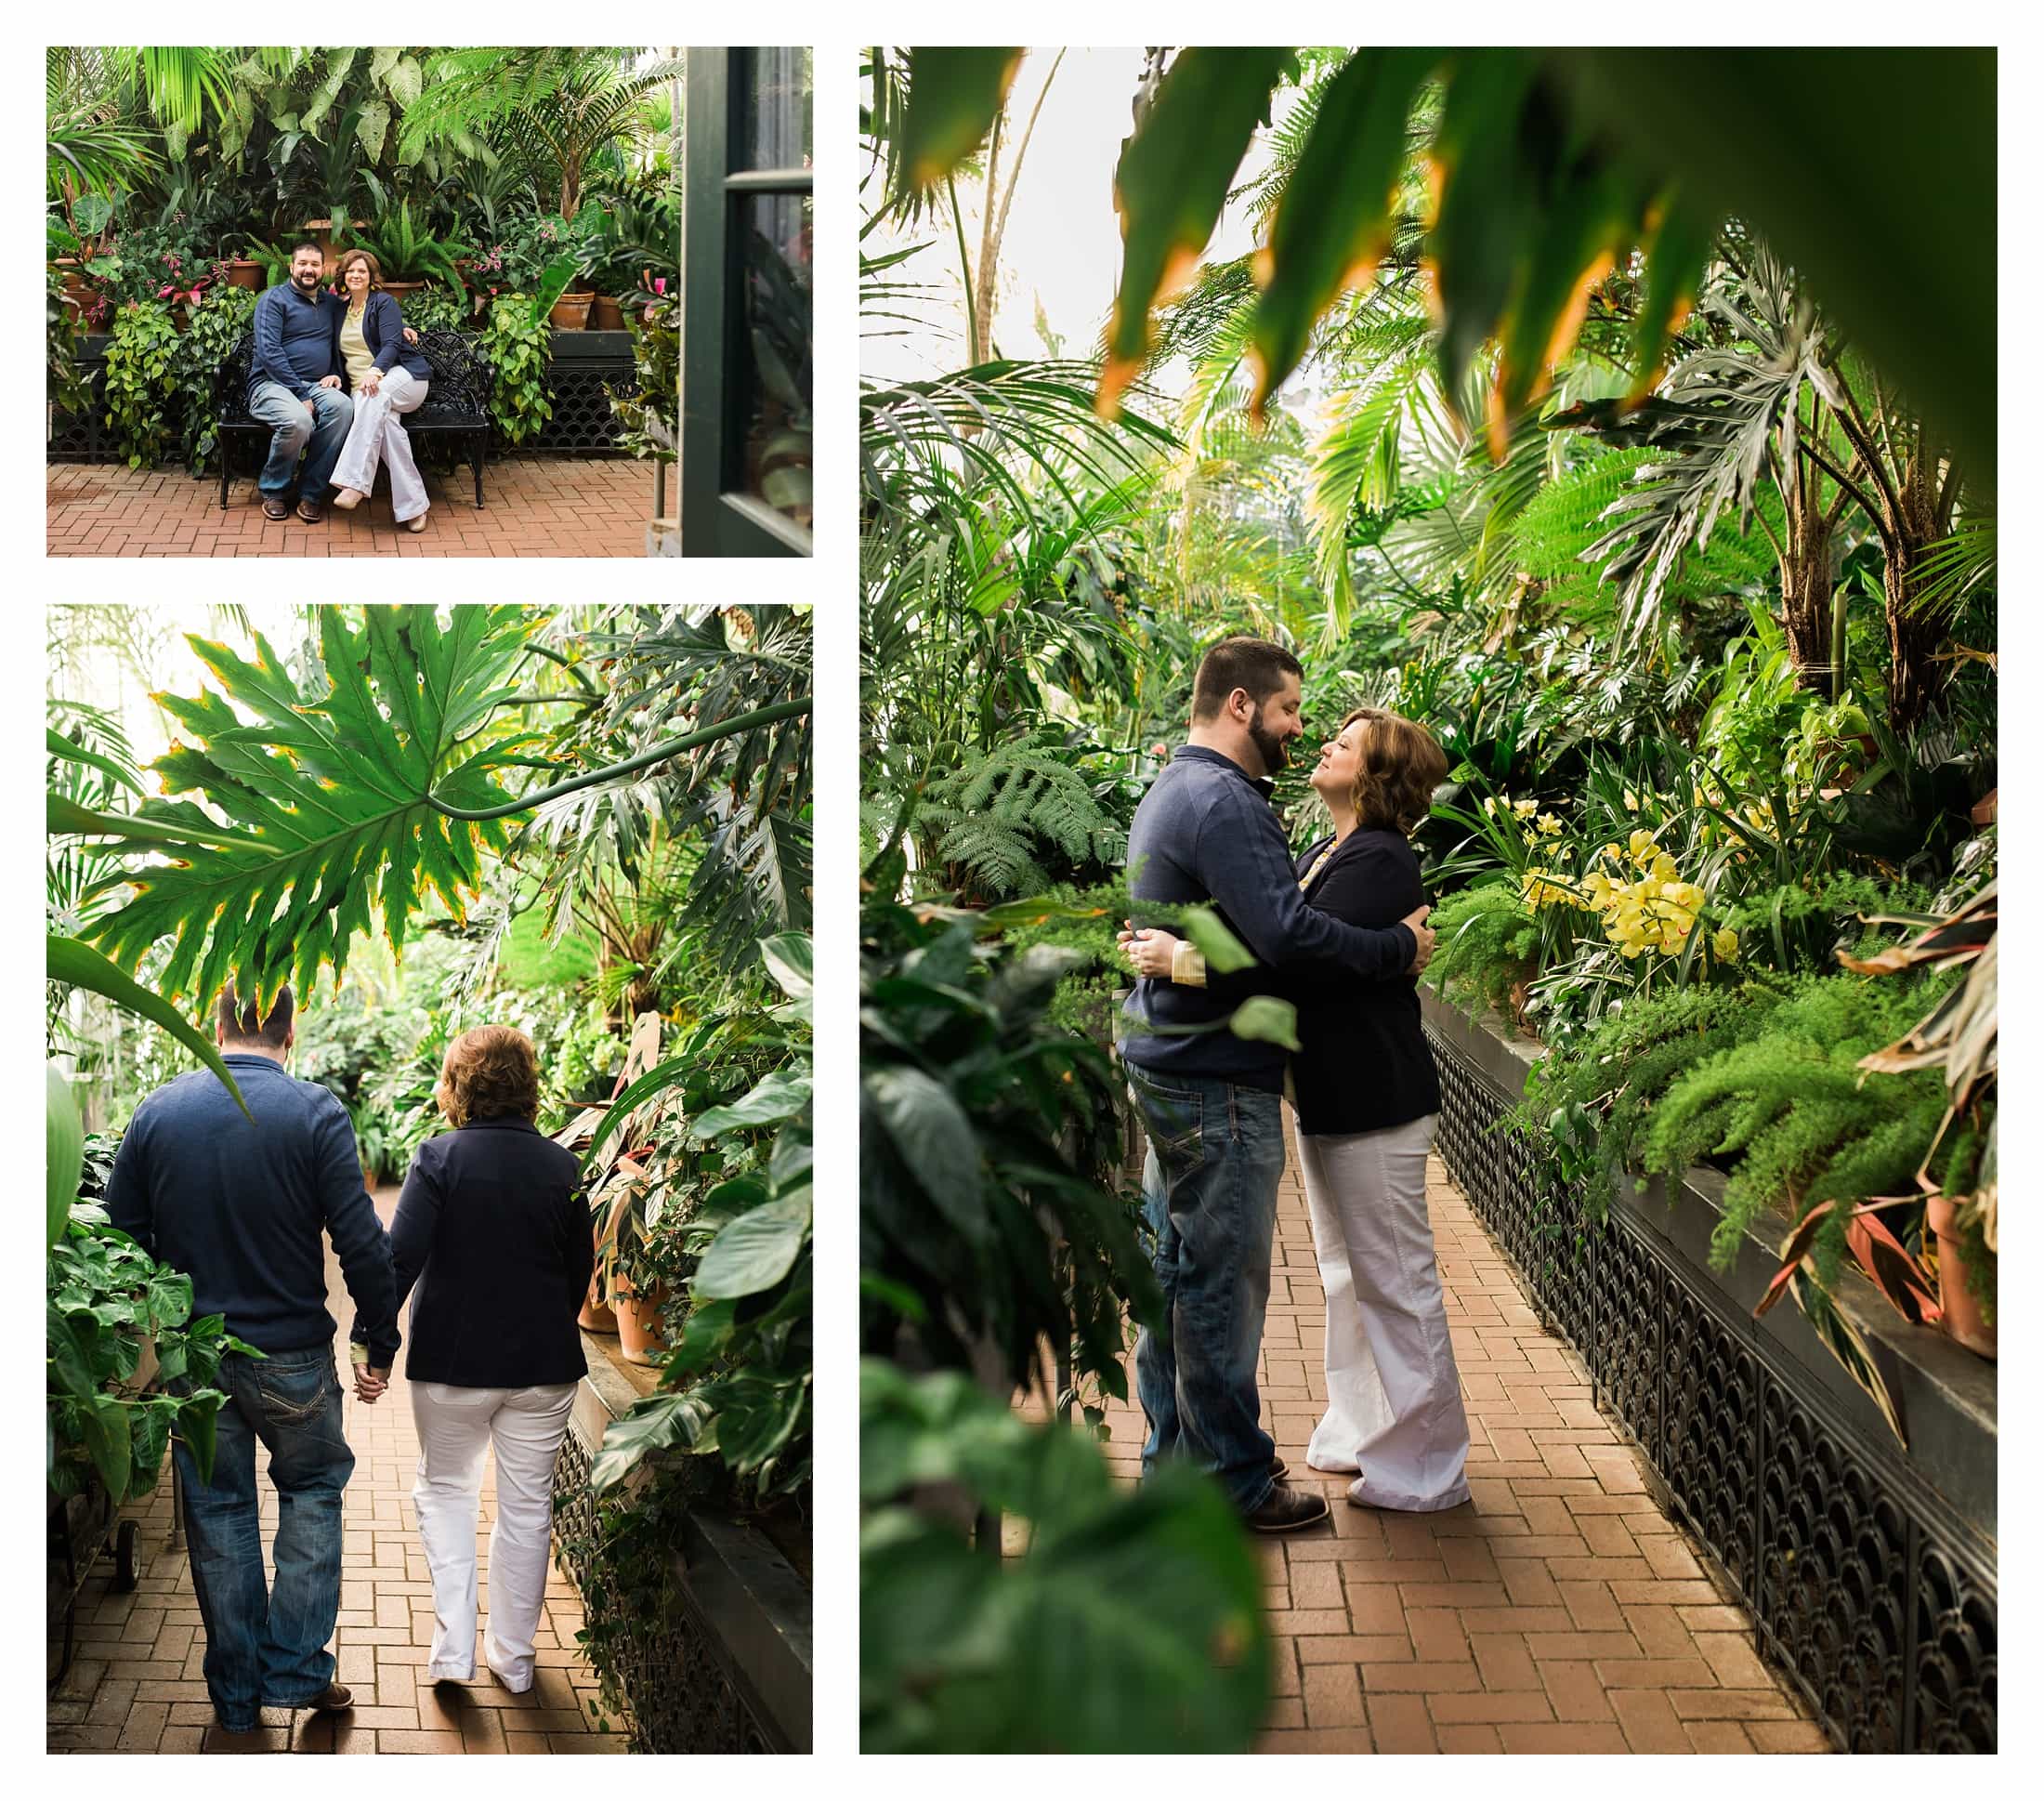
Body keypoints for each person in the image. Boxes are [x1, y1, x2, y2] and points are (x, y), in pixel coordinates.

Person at [1119, 638, 1435, 1534]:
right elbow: (1289, 941)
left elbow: (1258, 938)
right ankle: (1233, 1480)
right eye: (1293, 709)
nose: (1303, 728)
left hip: (1177, 1064)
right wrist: (1398, 950)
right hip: (1214, 1080)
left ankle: (1174, 1469)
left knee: (1176, 1280)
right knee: (1217, 1285)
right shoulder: (1225, 802)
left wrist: (1183, 961)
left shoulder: (1181, 788)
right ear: (1243, 708)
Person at [103, 981, 398, 1736]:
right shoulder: (314, 1113)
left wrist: (164, 1317)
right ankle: (298, 1674)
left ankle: (235, 1699)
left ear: (214, 1026)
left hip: (195, 1360)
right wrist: (378, 1338)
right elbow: (363, 1243)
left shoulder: (158, 1112)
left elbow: (117, 1237)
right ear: (291, 1031)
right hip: (292, 1357)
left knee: (218, 1511)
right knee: (311, 1493)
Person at [355, 1027, 593, 1693]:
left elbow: (398, 1261)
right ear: (527, 1086)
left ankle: (453, 1654)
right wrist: (545, 1322)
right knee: (526, 1510)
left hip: (451, 1365)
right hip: (544, 1369)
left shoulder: (438, 1159)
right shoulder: (563, 1167)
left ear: (459, 1088)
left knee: (447, 1493)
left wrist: (375, 1344)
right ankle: (514, 1663)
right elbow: (580, 1273)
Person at [327, 248, 436, 533]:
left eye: (362, 271)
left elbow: (390, 344)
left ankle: (354, 482)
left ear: (371, 276)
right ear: (343, 276)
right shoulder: (339, 310)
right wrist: (333, 375)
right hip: (366, 392)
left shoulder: (383, 302)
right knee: (387, 428)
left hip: (405, 379)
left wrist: (374, 371)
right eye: (351, 270)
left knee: (370, 395)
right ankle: (415, 506)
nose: (356, 275)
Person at [247, 243, 355, 522]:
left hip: (316, 385)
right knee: (299, 421)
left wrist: (399, 327)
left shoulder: (331, 304)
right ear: (291, 267)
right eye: (303, 263)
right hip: (272, 385)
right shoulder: (273, 300)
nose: (309, 269)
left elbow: (363, 321)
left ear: (323, 270)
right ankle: (274, 489)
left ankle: (311, 492)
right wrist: (299, 392)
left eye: (315, 264)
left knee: (343, 409)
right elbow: (269, 353)